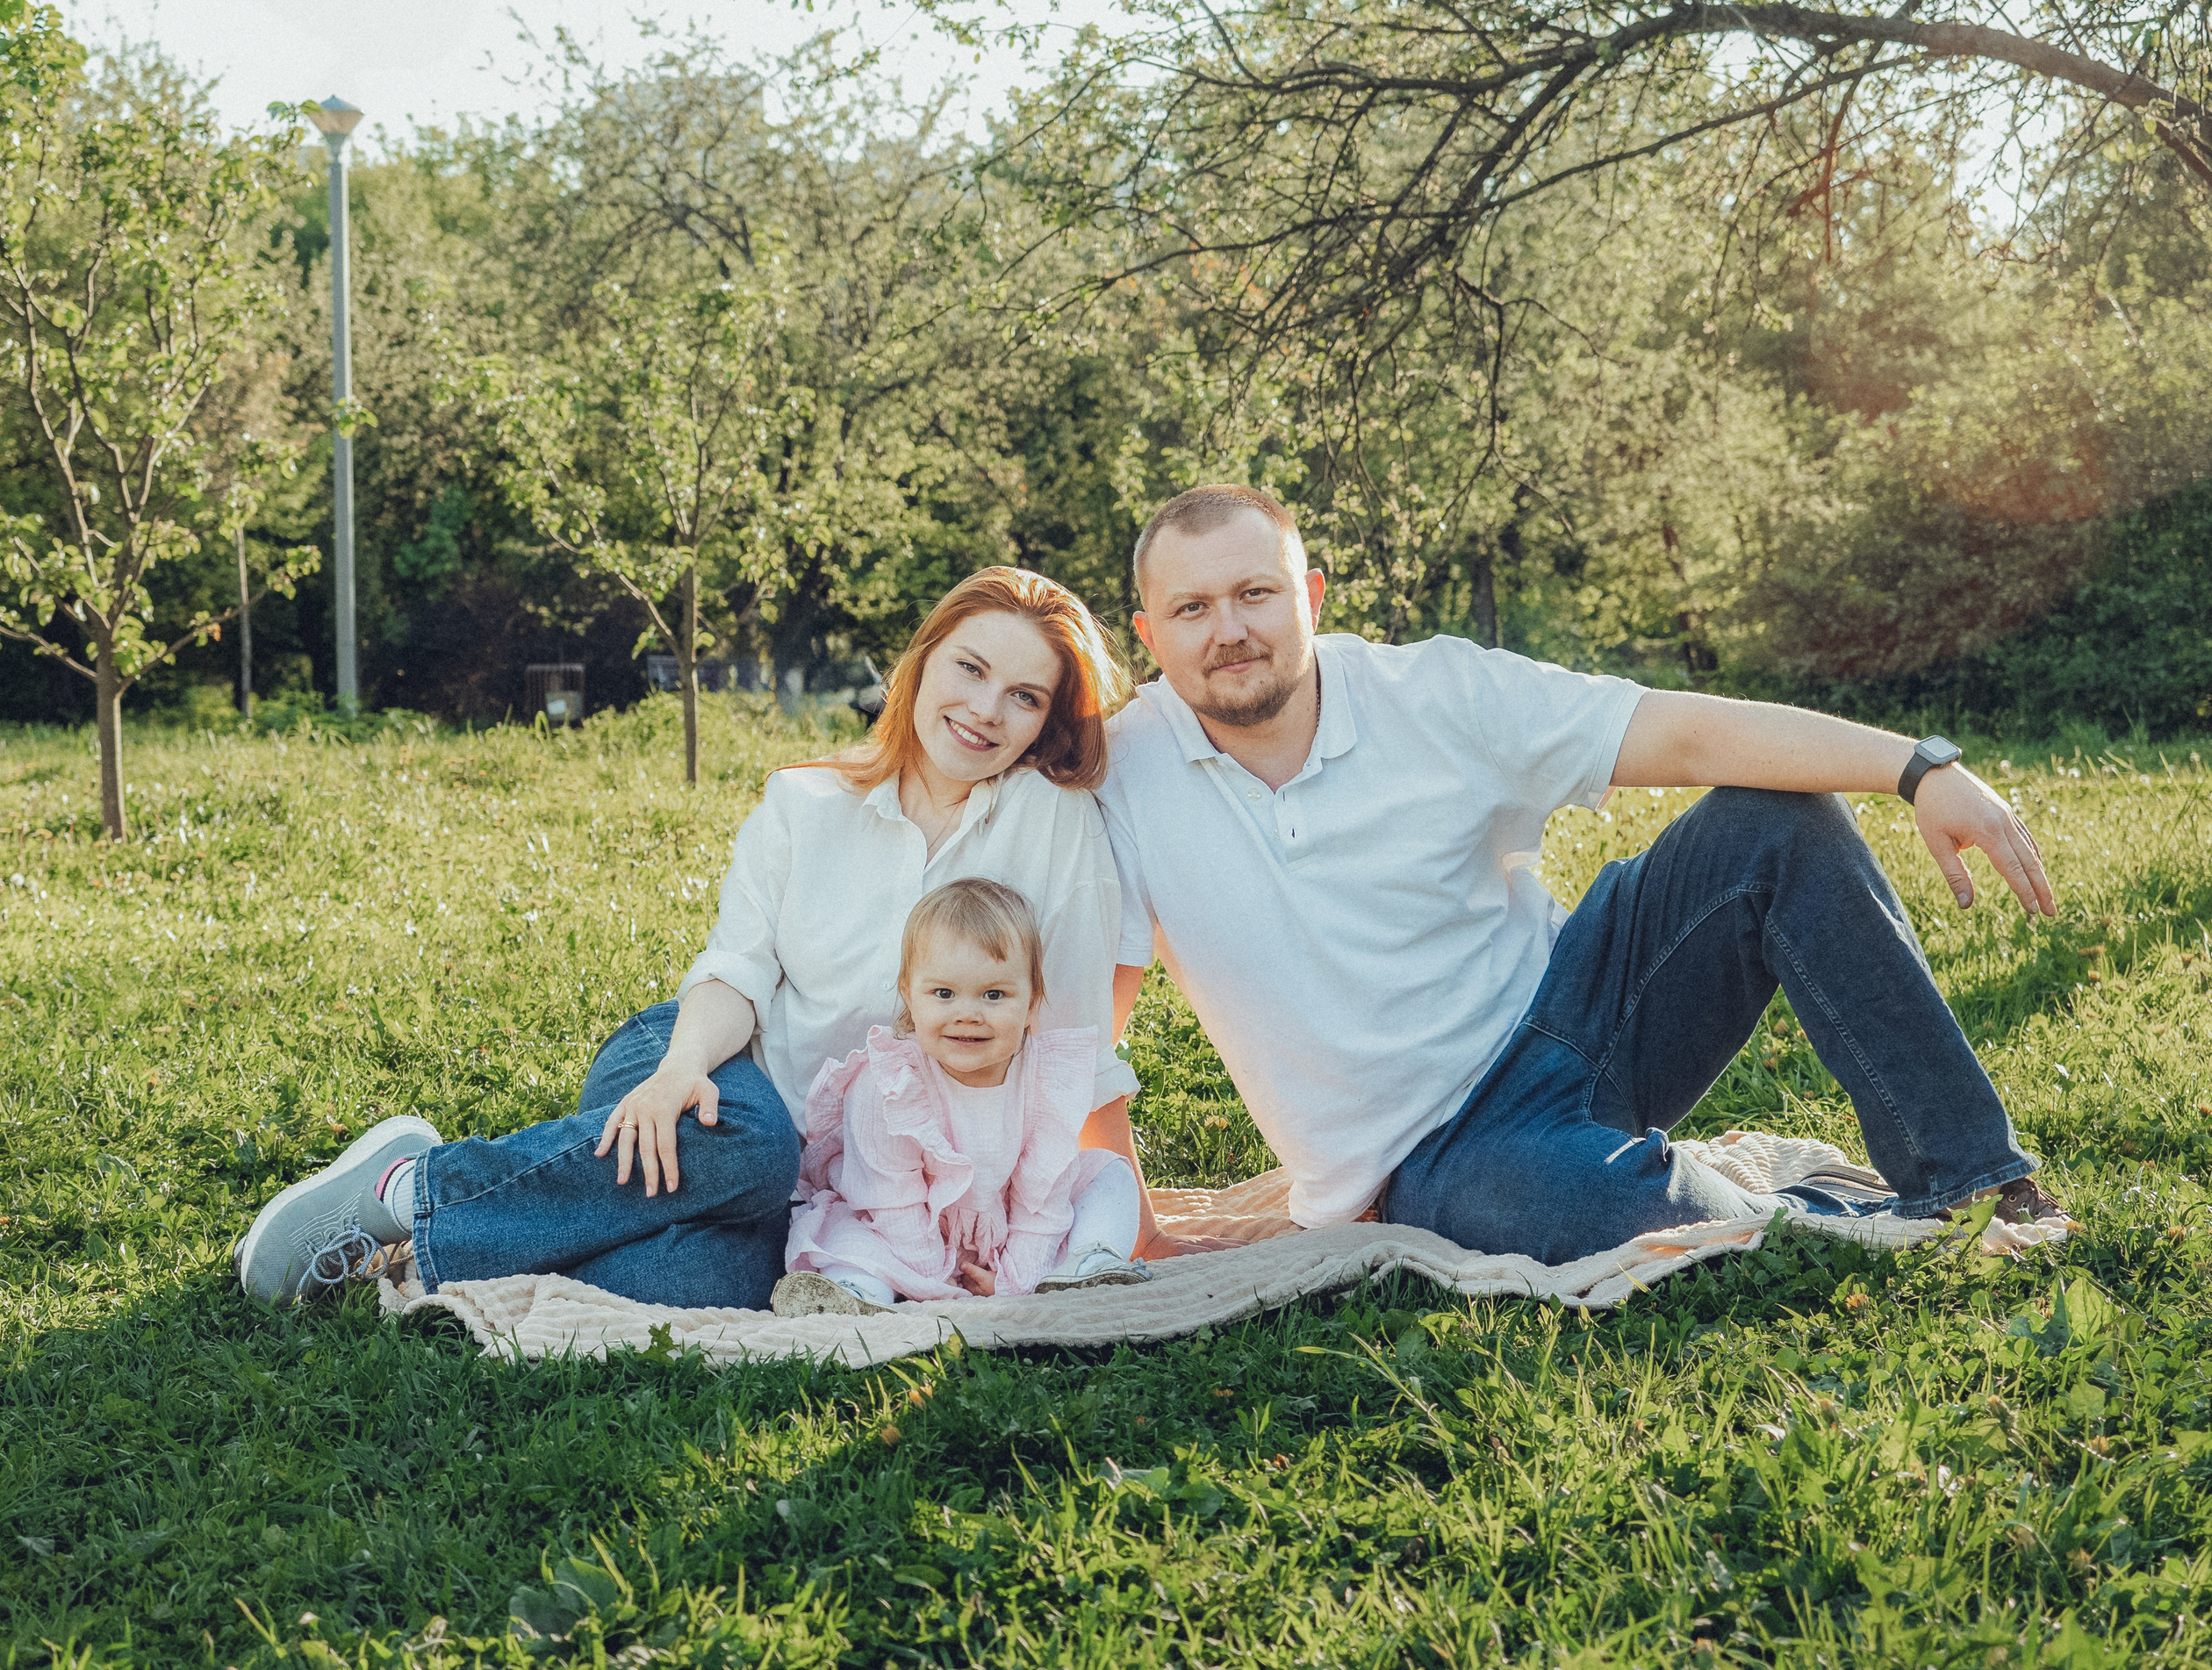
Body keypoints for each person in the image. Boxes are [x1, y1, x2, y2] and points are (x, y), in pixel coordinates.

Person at [1092, 484, 2066, 1267]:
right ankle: (1790, 1215)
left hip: (1583, 1011)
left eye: (1254, 593)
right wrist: (1130, 1224)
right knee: (1590, 1203)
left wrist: (1917, 766)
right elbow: (1086, 1028)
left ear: (1307, 598)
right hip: (1440, 1150)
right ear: (1149, 634)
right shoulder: (1118, 773)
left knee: (1778, 821)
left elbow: (1681, 731)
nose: (1230, 631)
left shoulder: (1432, 691)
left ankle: (1971, 1182)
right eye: (1193, 608)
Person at [233, 567, 1146, 1309]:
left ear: (1045, 722)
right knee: (755, 1147)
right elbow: (737, 972)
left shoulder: (1053, 823)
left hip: (828, 1179)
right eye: (970, 669)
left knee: (712, 1282)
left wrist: (1094, 1209)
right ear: (924, 662)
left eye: (1024, 696)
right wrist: (679, 1072)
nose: (986, 709)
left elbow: (1068, 1040)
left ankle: (417, 1263)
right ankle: (409, 1189)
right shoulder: (805, 802)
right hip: (713, 1071)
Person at [772, 878, 1148, 1315]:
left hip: (1007, 1229)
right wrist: (936, 1279)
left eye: (994, 995)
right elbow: (891, 1200)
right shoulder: (889, 1084)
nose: (968, 1014)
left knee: (1109, 1175)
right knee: (851, 1240)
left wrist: (1017, 1280)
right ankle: (858, 1294)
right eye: (944, 994)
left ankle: (1088, 1265)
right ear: (909, 998)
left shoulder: (1045, 1078)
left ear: (1030, 1006)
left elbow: (1041, 1197)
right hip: (904, 1234)